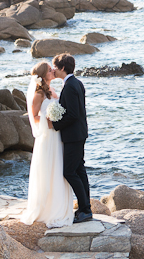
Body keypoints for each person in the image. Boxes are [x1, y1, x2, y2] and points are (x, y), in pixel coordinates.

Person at [19, 61, 74, 228]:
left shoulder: (51, 90)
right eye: (51, 70)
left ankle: (59, 206)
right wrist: (50, 121)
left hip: (57, 136)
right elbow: (34, 116)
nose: (54, 71)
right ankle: (47, 209)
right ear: (44, 75)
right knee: (48, 170)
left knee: (58, 169)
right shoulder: (38, 94)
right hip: (47, 137)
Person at [51, 52, 92, 223]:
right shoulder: (76, 83)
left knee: (69, 171)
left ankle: (85, 209)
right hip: (79, 133)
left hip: (74, 136)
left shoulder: (69, 86)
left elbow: (73, 114)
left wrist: (55, 124)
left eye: (55, 67)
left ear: (62, 68)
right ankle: (85, 208)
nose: (53, 70)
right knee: (79, 170)